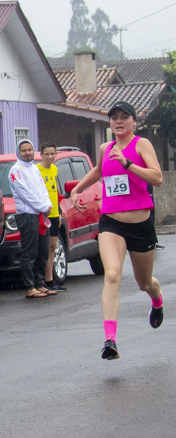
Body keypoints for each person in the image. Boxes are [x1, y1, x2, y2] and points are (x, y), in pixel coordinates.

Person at [68, 101, 164, 360]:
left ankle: (157, 300)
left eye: (124, 117)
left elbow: (157, 177)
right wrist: (77, 189)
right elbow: (99, 171)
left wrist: (128, 165)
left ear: (134, 121)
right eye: (114, 118)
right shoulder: (105, 148)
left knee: (145, 282)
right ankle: (110, 340)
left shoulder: (141, 145)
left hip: (140, 224)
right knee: (111, 275)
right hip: (111, 222)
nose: (118, 122)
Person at [8, 139, 53, 298]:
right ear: (18, 152)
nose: (27, 153)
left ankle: (39, 283)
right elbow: (25, 194)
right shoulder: (16, 170)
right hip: (27, 216)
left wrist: (48, 205)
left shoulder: (35, 168)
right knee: (30, 252)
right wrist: (42, 207)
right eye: (24, 150)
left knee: (42, 251)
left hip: (41, 215)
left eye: (29, 150)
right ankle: (29, 286)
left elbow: (42, 189)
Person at [37, 142, 67, 293]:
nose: (50, 157)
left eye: (52, 154)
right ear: (41, 154)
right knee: (43, 248)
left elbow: (55, 192)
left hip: (55, 214)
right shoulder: (37, 170)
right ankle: (42, 280)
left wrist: (59, 212)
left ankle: (50, 280)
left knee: (52, 247)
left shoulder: (54, 169)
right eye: (47, 154)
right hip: (43, 214)